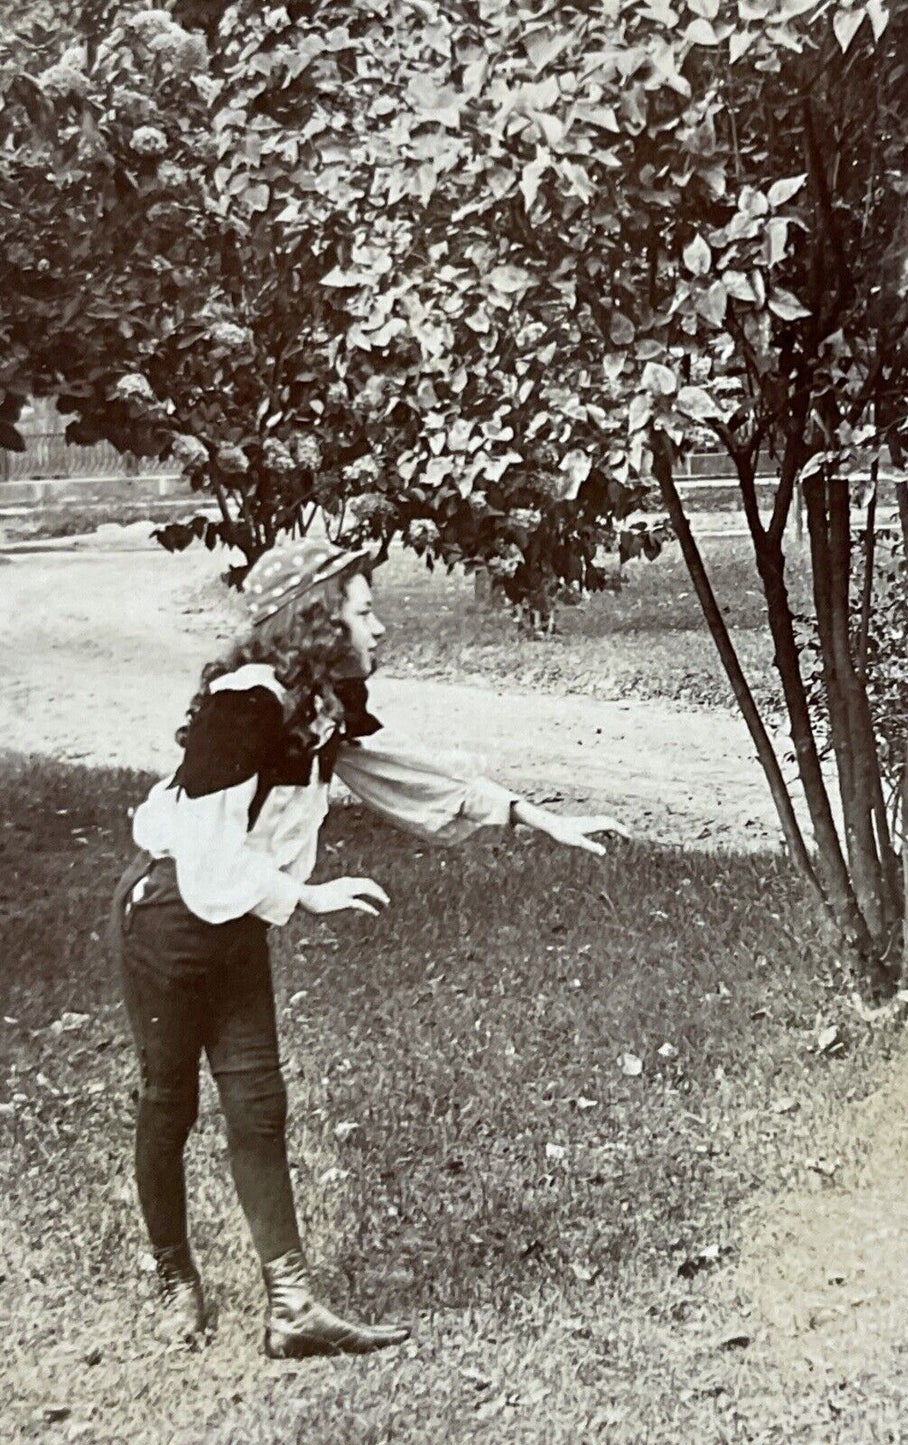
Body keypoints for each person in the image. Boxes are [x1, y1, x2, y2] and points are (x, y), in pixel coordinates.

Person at [111, 537, 628, 1355]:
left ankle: (291, 1309)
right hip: (171, 919)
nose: (379, 626)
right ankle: (175, 1276)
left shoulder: (315, 707)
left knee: (259, 1104)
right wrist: (306, 894)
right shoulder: (243, 704)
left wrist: (532, 814)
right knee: (169, 1099)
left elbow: (398, 772)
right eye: (363, 610)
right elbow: (208, 855)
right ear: (318, 623)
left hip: (238, 918)